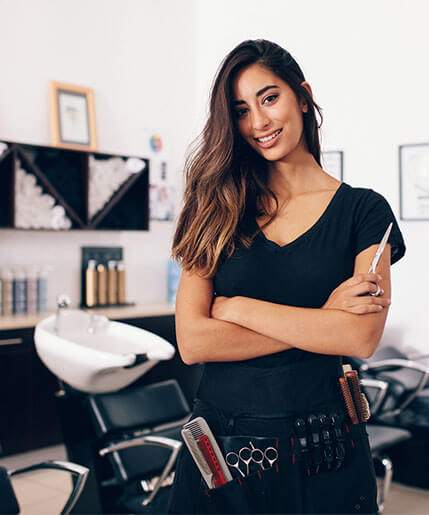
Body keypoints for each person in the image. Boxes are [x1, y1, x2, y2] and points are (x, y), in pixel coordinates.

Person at [167, 39, 406, 514]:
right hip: (223, 447)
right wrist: (322, 320)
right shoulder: (214, 207)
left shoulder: (365, 211)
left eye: (269, 97)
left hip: (328, 446)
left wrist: (238, 310)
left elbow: (359, 336)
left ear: (302, 94)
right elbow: (193, 341)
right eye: (240, 109)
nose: (258, 123)